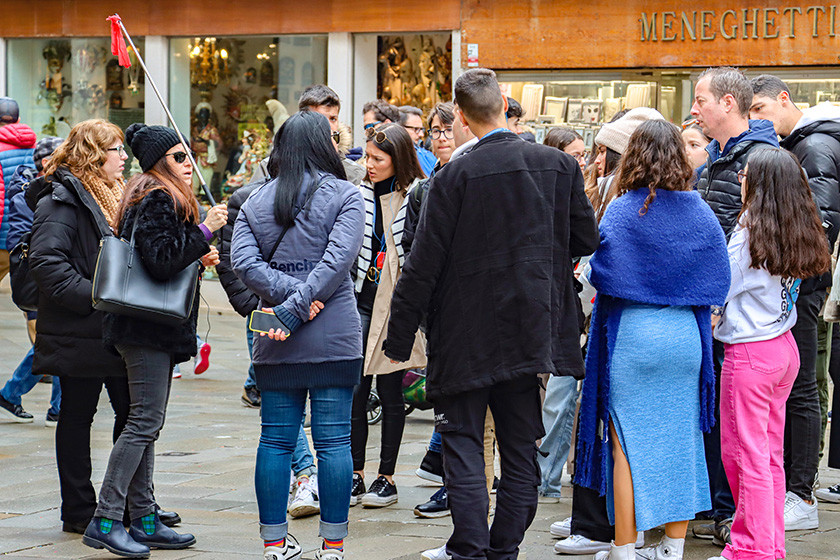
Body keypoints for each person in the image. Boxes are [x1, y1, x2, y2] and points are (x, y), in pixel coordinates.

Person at [383, 68, 600, 560]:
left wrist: (398, 341)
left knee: (462, 440)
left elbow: (423, 265)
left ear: (460, 115)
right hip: (531, 326)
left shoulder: (453, 176)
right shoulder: (558, 166)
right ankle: (502, 548)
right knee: (520, 445)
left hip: (465, 331)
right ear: (506, 102)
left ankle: (472, 548)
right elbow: (586, 239)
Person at [574, 119, 730, 560]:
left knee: (625, 444)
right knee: (681, 441)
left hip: (635, 335)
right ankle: (672, 547)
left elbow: (602, 273)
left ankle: (625, 548)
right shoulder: (699, 209)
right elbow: (720, 276)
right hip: (685, 337)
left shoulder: (624, 208)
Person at [27, 120, 179, 535]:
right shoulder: (61, 200)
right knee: (78, 415)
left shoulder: (115, 196)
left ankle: (135, 506)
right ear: (94, 156)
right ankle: (79, 510)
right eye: (115, 149)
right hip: (81, 327)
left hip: (111, 327)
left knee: (132, 413)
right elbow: (47, 265)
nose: (123, 156)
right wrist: (101, 299)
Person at [83, 123, 226, 557]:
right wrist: (204, 231)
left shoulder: (149, 193)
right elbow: (161, 261)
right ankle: (105, 519)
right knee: (144, 421)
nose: (190, 163)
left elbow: (162, 256)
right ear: (161, 161)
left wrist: (197, 254)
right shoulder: (157, 196)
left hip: (147, 327)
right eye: (180, 157)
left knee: (146, 422)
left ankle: (144, 517)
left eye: (189, 155)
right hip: (144, 329)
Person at [231, 110, 365, 560]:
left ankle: (273, 542)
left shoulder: (253, 201)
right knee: (334, 442)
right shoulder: (347, 195)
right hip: (334, 330)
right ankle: (332, 545)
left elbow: (245, 265)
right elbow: (338, 261)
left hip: (275, 334)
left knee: (274, 440)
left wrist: (287, 302)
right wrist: (303, 298)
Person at [709, 148, 831, 560]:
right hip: (782, 347)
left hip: (750, 355)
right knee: (767, 457)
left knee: (745, 457)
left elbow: (719, 287)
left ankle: (751, 549)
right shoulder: (796, 226)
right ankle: (767, 544)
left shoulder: (749, 233)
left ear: (757, 184)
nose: (740, 180)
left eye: (744, 175)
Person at [554, 107, 665, 557]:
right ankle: (601, 520)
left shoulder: (626, 201)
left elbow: (605, 265)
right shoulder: (613, 195)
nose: (597, 160)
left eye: (605, 151)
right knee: (601, 422)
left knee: (617, 430)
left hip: (624, 326)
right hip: (615, 323)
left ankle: (615, 528)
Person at [689, 66, 780, 547]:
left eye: (701, 99)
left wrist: (722, 300)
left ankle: (747, 532)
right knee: (728, 434)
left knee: (749, 446)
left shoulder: (763, 159)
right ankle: (735, 519)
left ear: (728, 102)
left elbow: (764, 245)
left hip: (747, 323)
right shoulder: (712, 162)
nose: (694, 109)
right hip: (722, 313)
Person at [218, 129, 323, 521]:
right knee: (280, 403)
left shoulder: (328, 197)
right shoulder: (247, 198)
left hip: (315, 312)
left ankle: (310, 479)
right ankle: (305, 473)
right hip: (266, 313)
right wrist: (252, 307)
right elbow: (233, 262)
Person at [750, 74, 840, 529]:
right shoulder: (802, 145)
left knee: (803, 384)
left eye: (761, 109)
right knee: (799, 383)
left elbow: (820, 225)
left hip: (803, 283)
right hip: (799, 282)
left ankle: (800, 495)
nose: (757, 119)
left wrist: (784, 270)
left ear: (785, 99)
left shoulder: (815, 147)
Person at [350, 122, 426, 509]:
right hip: (361, 298)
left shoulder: (416, 193)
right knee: (358, 390)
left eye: (378, 159)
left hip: (396, 304)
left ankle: (387, 477)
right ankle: (356, 473)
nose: (370, 165)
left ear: (398, 160)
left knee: (392, 390)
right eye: (367, 157)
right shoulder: (358, 192)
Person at [0, 136, 63, 425]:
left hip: (52, 278)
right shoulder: (28, 194)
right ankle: (57, 406)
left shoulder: (55, 189)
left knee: (51, 342)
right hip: (39, 280)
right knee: (56, 341)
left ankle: (12, 394)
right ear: (48, 162)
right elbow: (22, 241)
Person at [0, 97, 36, 284]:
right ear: (19, 120)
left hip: (3, 236)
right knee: (30, 294)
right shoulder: (37, 149)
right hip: (30, 232)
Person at [399, 105, 437, 176]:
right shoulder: (399, 157)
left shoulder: (427, 154)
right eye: (416, 129)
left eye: (421, 129)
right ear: (400, 128)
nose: (421, 134)